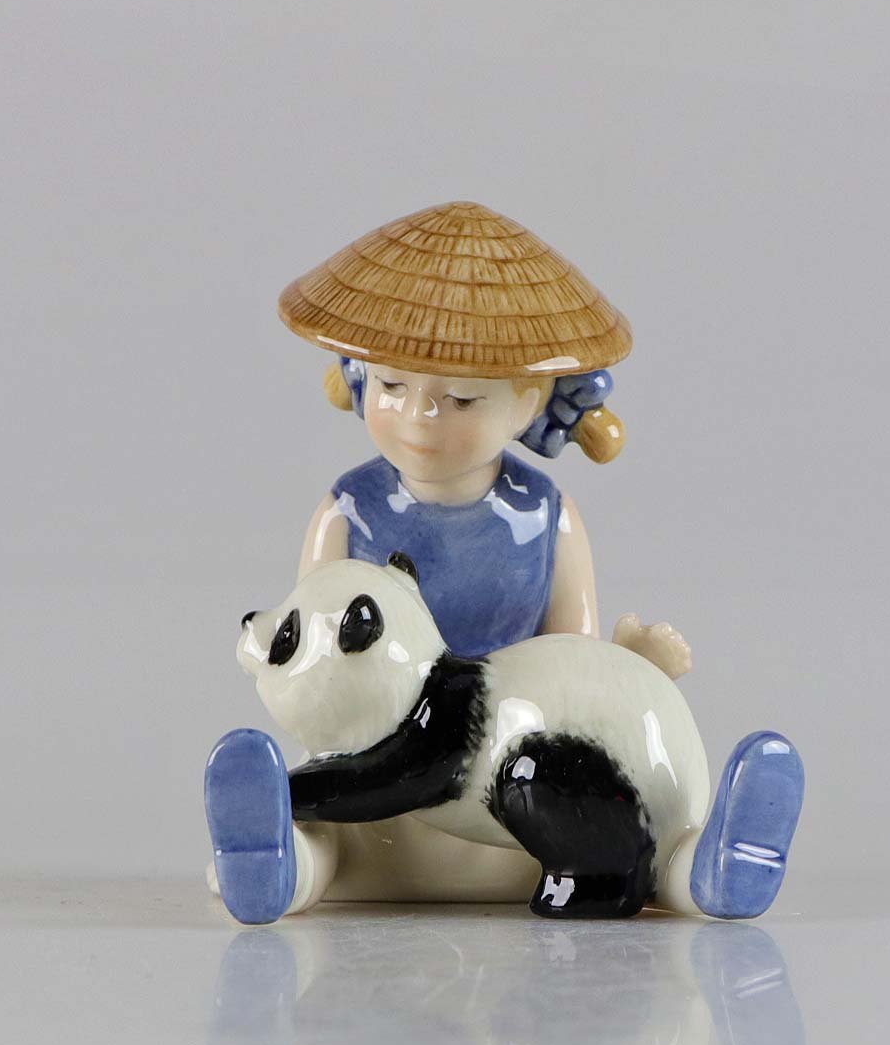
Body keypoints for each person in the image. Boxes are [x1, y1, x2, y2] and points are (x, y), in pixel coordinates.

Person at [206, 201, 802, 921]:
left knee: (613, 823)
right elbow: (316, 674)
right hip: (383, 773)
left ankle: (704, 873)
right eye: (392, 386)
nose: (419, 416)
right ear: (358, 375)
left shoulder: (546, 517)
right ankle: (279, 866)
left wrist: (627, 670)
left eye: (460, 398)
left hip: (505, 787)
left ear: (528, 400)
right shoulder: (347, 511)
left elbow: (571, 665)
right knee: (330, 829)